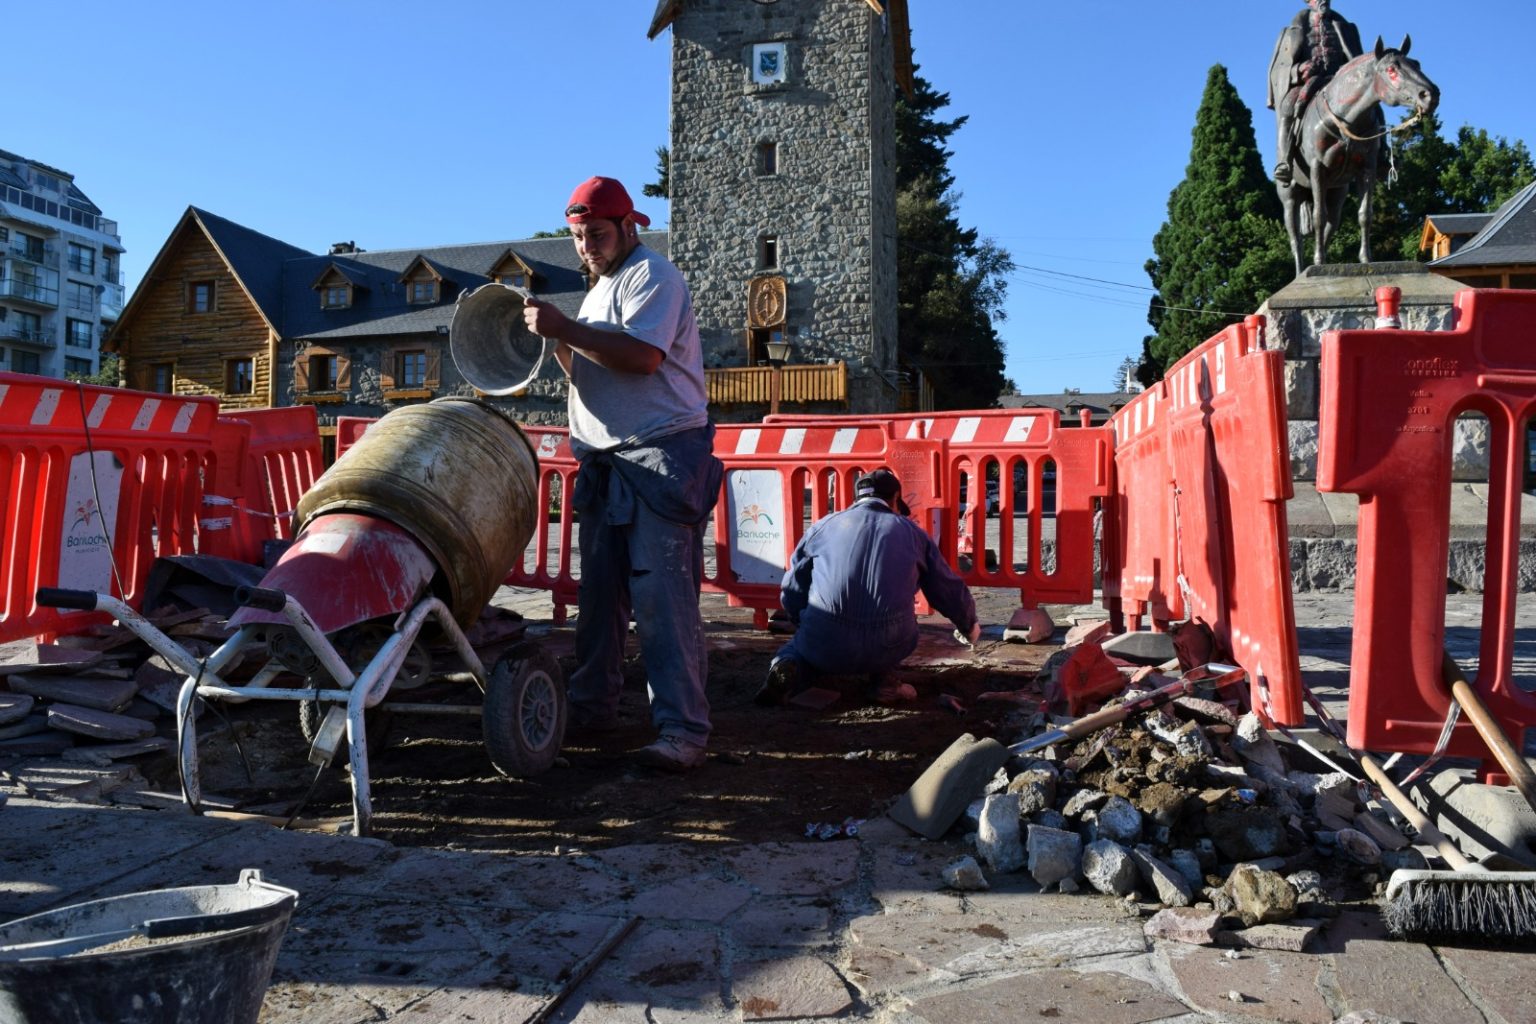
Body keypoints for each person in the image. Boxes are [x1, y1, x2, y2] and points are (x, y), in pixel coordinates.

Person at [521, 176, 723, 772]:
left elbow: (641, 358)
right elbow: (588, 362)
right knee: (600, 596)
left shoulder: (653, 276)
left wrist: (563, 330)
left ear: (629, 225)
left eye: (598, 234)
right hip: (608, 460)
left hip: (660, 455)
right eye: (579, 237)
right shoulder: (595, 294)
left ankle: (683, 730)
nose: (587, 247)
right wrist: (555, 342)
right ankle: (592, 706)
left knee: (662, 598)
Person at [757, 468, 981, 707]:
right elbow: (947, 588)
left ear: (856, 499)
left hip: (825, 640)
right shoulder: (914, 534)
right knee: (902, 627)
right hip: (889, 643)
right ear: (895, 500)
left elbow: (792, 590)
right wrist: (968, 626)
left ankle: (790, 667)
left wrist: (802, 621)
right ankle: (885, 683)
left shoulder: (822, 528)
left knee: (800, 649)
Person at [1267, 0, 1363, 184]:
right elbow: (1279, 68)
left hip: (1340, 83)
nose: (1323, 0)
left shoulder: (1347, 28)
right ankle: (1284, 162)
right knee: (1288, 107)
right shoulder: (1292, 31)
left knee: (1371, 105)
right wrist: (1299, 68)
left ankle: (1381, 155)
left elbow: (1357, 61)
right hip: (1308, 82)